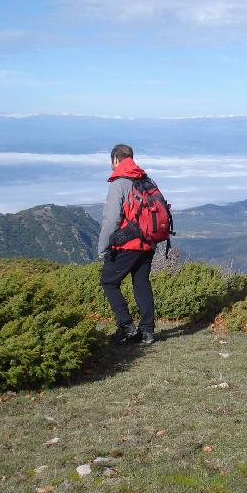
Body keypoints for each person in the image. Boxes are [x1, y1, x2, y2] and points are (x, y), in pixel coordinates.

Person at [98, 144, 156, 345]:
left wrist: (103, 248)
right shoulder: (146, 180)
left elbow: (111, 219)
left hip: (128, 244)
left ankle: (127, 327)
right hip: (148, 243)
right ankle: (147, 332)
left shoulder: (119, 183)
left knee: (109, 281)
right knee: (141, 283)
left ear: (116, 159)